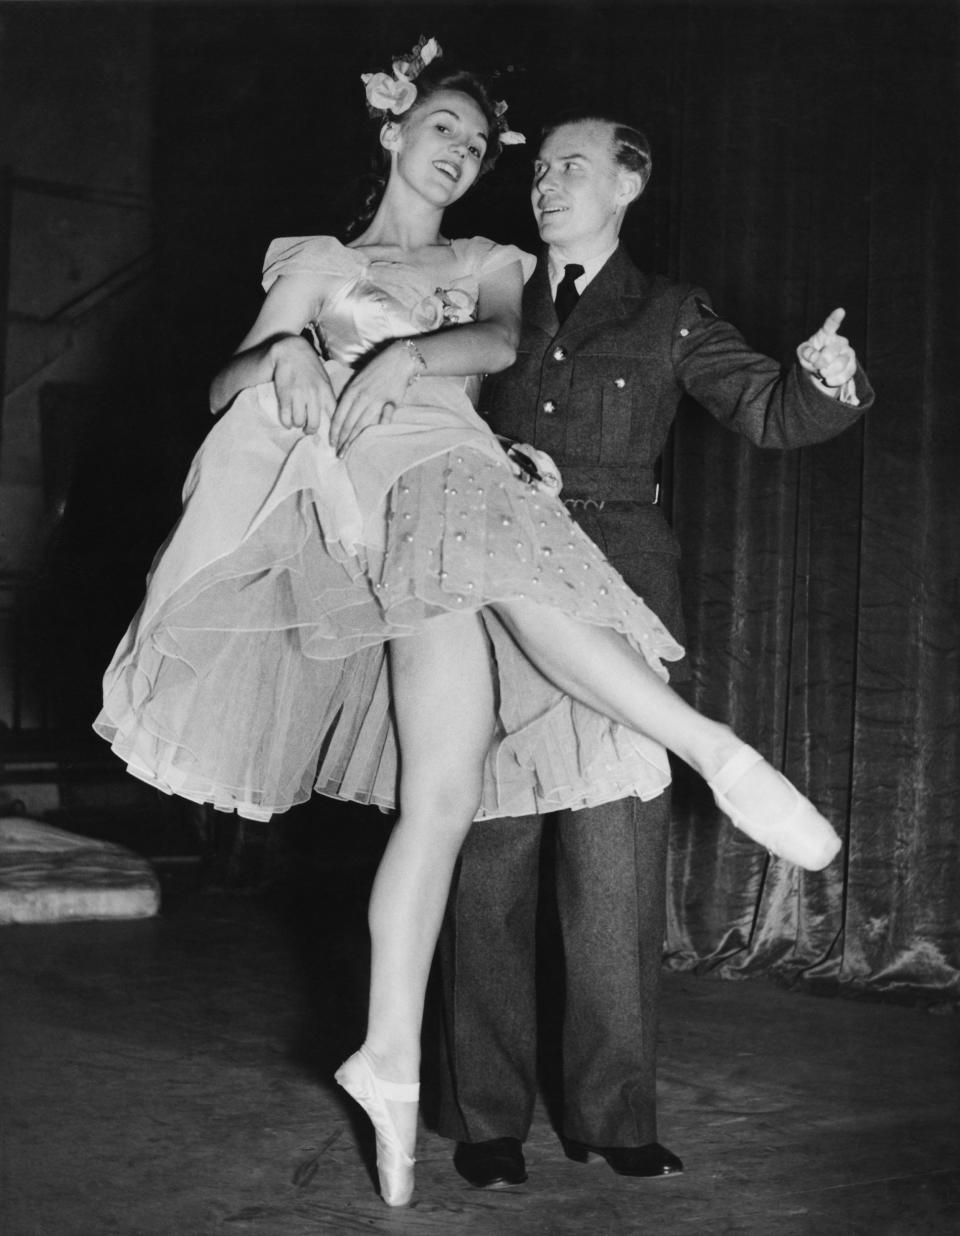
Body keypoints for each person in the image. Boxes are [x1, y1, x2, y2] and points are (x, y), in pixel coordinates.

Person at [94, 44, 846, 1210]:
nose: (455, 151)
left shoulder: (489, 261)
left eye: (470, 141)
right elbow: (220, 384)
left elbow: (495, 341)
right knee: (460, 783)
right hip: (375, 513)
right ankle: (711, 762)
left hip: (464, 481)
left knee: (479, 808)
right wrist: (286, 351)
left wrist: (402, 357)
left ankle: (404, 1061)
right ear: (390, 133)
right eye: (437, 129)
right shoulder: (315, 260)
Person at [433, 114, 874, 1190]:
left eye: (571, 167)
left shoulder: (672, 314)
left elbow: (772, 413)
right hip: (491, 591)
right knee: (487, 859)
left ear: (631, 181)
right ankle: (486, 1119)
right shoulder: (489, 292)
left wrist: (823, 379)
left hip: (621, 599)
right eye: (537, 170)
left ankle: (614, 1116)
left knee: (614, 866)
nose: (545, 184)